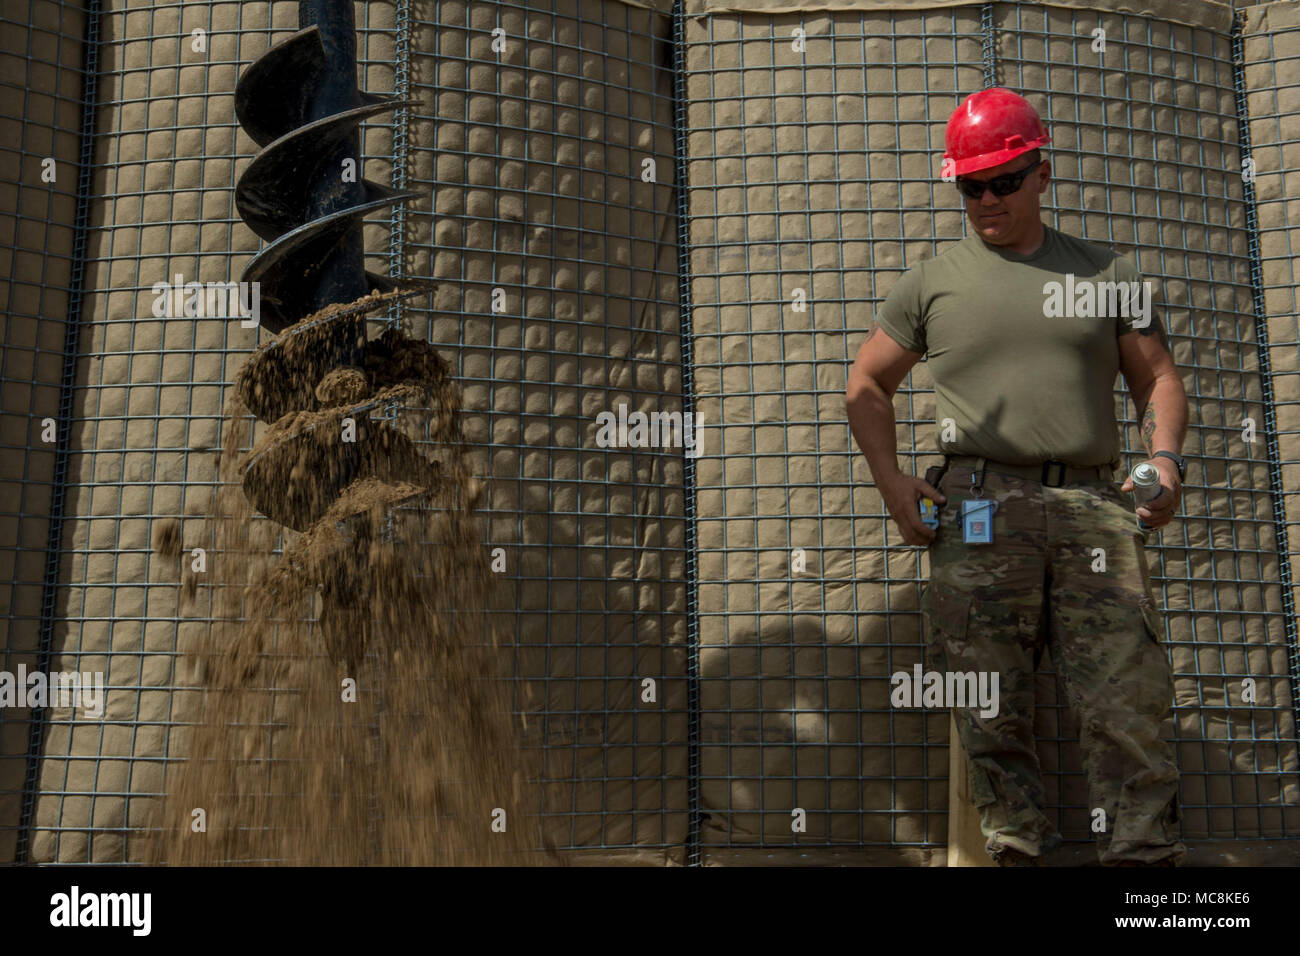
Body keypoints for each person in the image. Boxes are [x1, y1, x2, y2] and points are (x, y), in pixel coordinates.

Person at [844, 87, 1189, 867]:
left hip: (1095, 501)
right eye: (970, 187)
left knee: (1125, 692)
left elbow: (1158, 378)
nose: (987, 200)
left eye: (1004, 180)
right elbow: (865, 385)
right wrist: (893, 482)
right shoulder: (931, 283)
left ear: (1042, 174)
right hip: (976, 506)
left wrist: (1163, 459)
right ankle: (1015, 846)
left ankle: (1142, 860)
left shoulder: (1107, 272)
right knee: (986, 694)